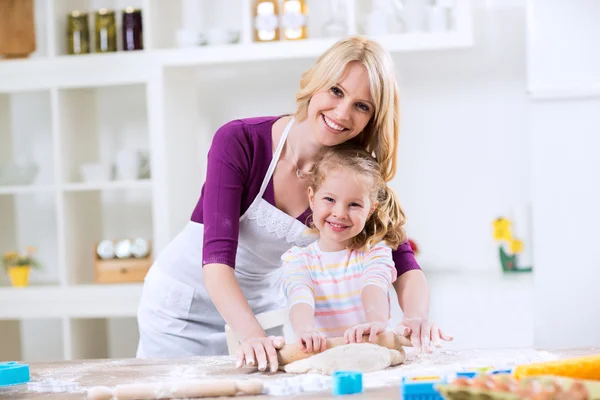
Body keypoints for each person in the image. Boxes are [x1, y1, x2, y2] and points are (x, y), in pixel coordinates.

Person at [136, 36, 452, 374]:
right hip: (185, 308)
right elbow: (216, 261)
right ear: (315, 82)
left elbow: (403, 262)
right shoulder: (241, 142)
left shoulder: (351, 176)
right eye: (336, 90)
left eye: (363, 106)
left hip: (261, 312)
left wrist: (416, 318)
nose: (342, 112)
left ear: (373, 118)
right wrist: (252, 337)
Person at [282, 143, 406, 353]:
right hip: (324, 359)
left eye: (354, 204)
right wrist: (305, 330)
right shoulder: (298, 259)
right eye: (329, 199)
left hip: (374, 352)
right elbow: (300, 295)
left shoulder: (375, 252)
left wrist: (374, 322)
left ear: (370, 210)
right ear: (312, 198)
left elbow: (373, 286)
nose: (340, 213)